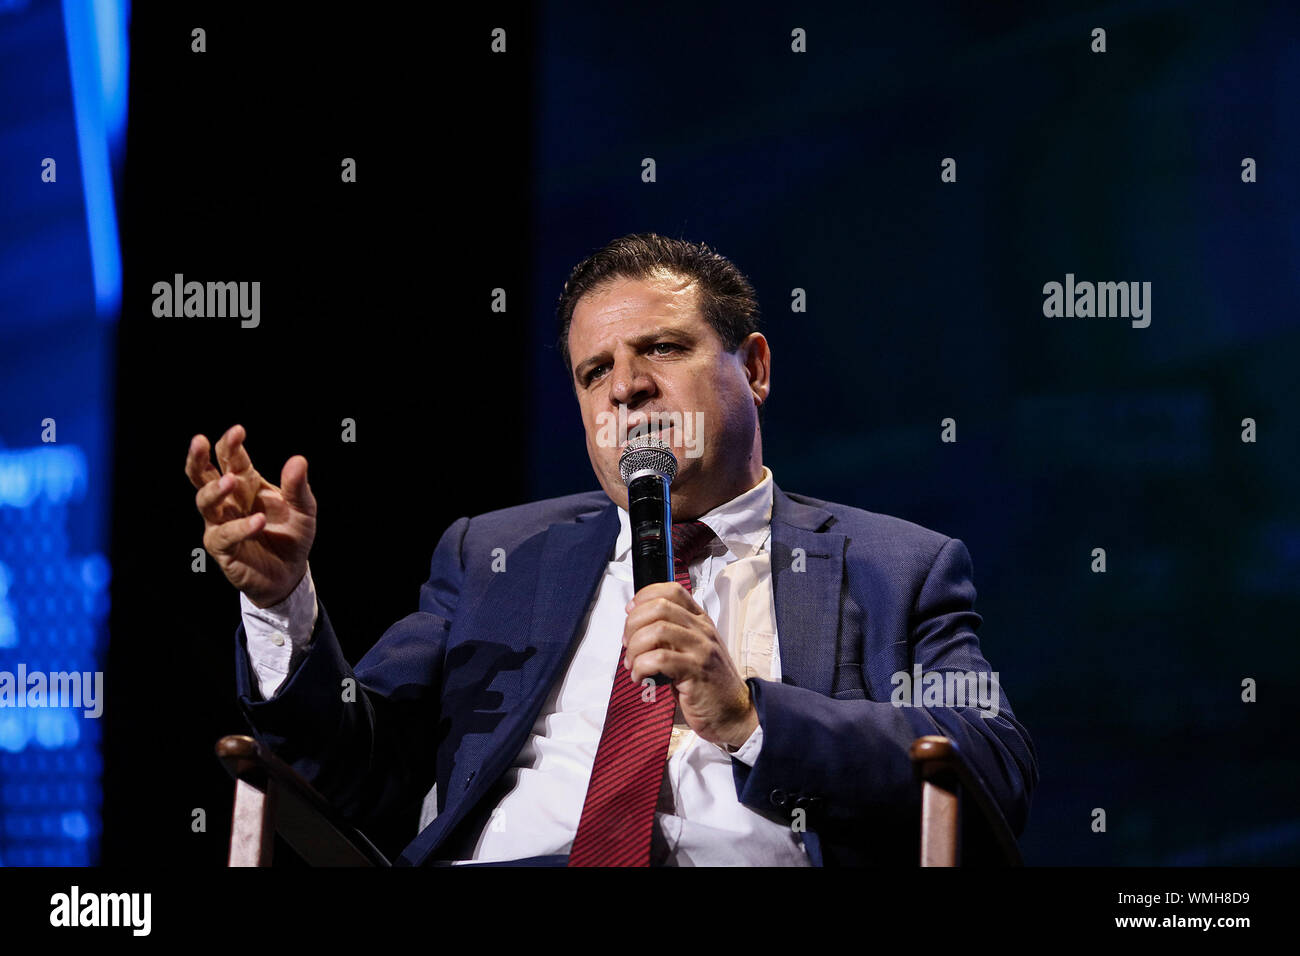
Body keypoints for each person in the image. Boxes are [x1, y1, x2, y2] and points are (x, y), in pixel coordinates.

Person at [184, 233, 1038, 866]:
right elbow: (349, 763)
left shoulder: (896, 565)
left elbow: (989, 768)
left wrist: (747, 715)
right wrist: (282, 602)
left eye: (661, 348)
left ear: (757, 368)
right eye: (595, 372)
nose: (625, 384)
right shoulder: (496, 555)